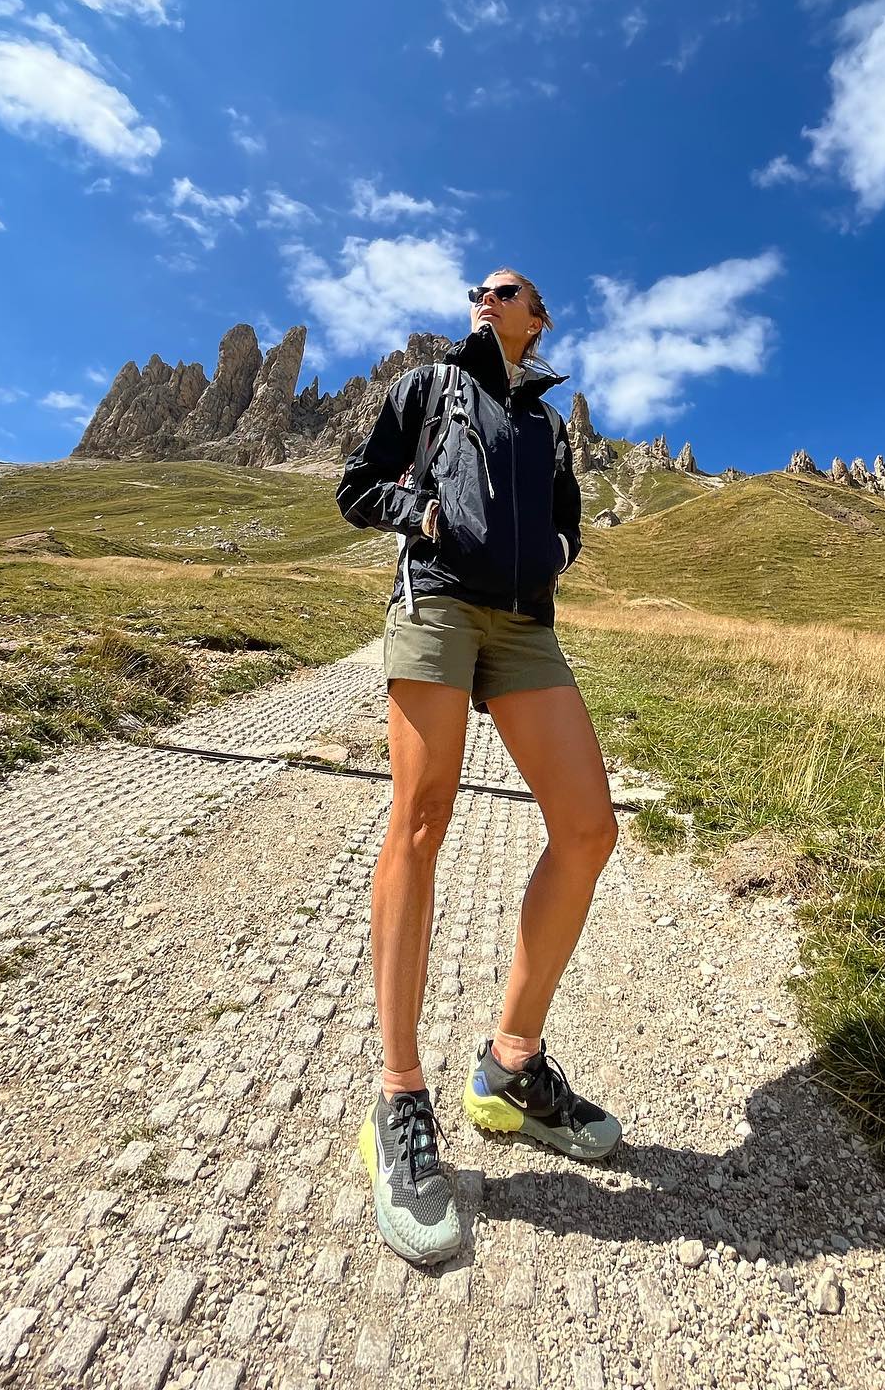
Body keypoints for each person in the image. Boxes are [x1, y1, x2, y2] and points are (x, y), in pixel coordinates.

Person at [335, 269, 622, 1266]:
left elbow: (568, 520)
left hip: (526, 626)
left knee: (589, 829)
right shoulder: (426, 388)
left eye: (504, 290)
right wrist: (415, 512)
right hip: (437, 601)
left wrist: (551, 549)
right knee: (421, 817)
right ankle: (400, 1099)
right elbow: (355, 487)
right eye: (479, 289)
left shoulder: (548, 422)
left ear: (538, 318)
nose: (483, 298)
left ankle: (509, 1067)